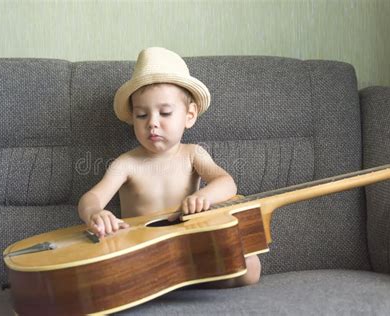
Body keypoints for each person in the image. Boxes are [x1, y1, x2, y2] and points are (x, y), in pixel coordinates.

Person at [77, 47, 261, 286]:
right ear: (132, 118)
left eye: (165, 112)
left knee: (250, 267)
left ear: (189, 115)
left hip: (189, 247)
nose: (152, 123)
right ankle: (159, 281)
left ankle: (184, 278)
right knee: (105, 277)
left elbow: (226, 182)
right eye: (142, 115)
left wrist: (204, 195)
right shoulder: (126, 163)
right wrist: (96, 213)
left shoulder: (193, 154)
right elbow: (90, 198)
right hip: (141, 251)